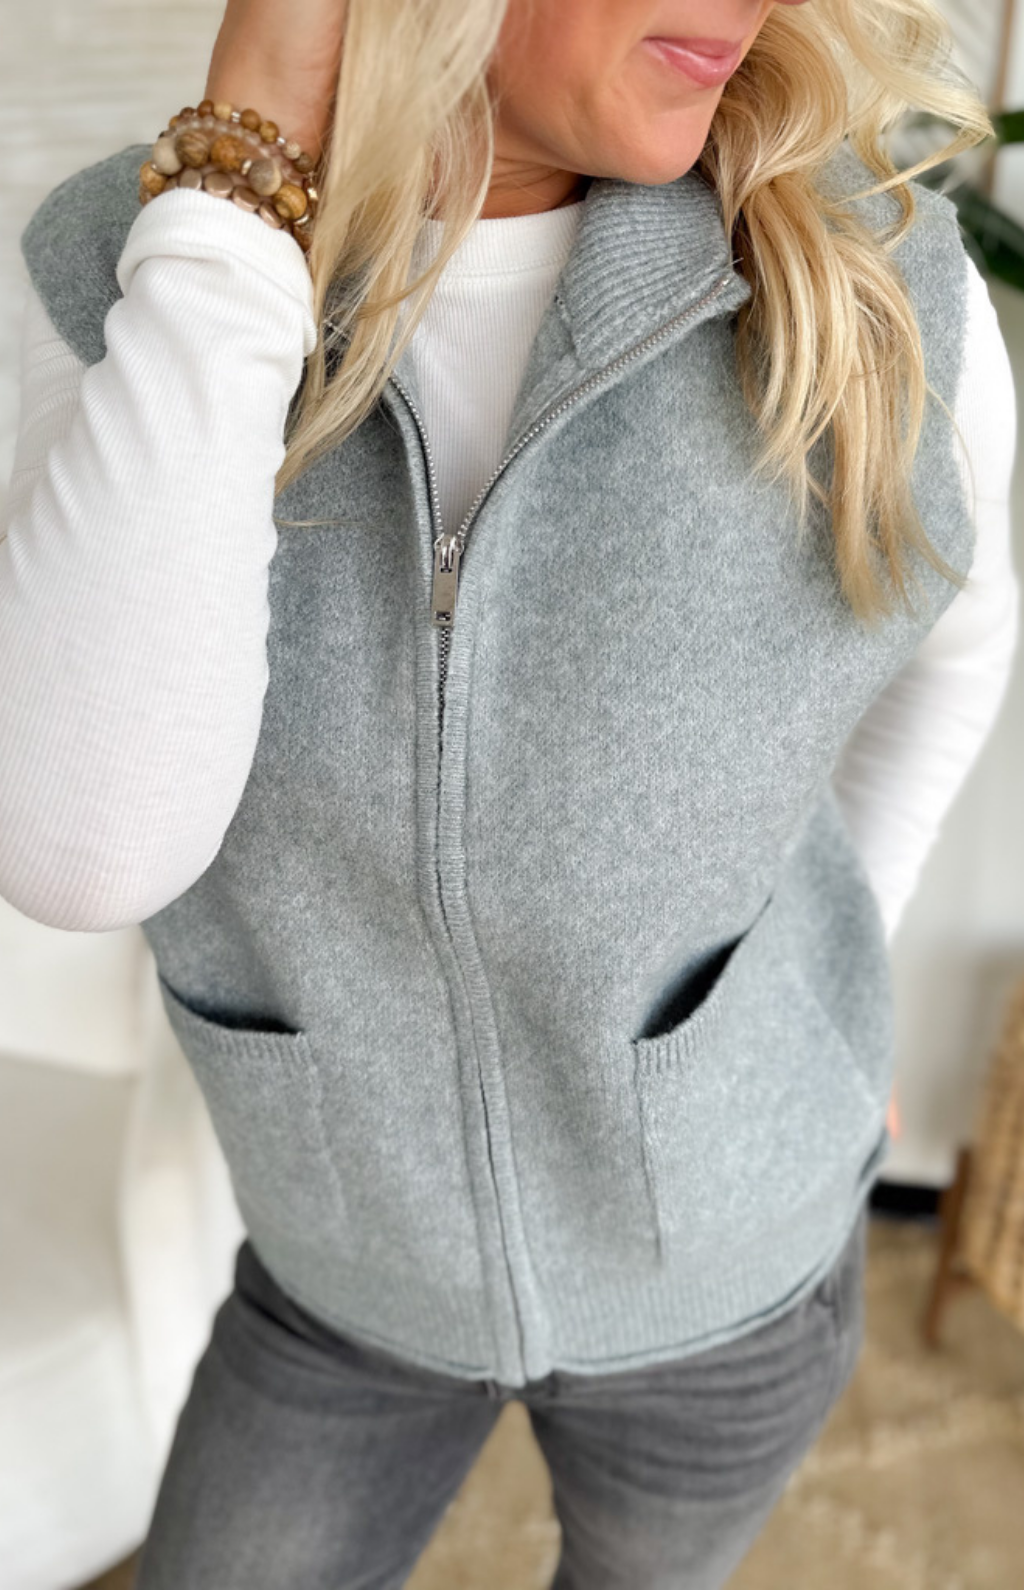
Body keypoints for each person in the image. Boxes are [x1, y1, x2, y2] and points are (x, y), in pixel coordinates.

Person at [1, 0, 1019, 1585]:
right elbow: (82, 848)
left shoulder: (880, 288)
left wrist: (840, 995)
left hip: (734, 1284)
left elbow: (957, 650)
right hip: (341, 1276)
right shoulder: (134, 293)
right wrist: (239, 191)